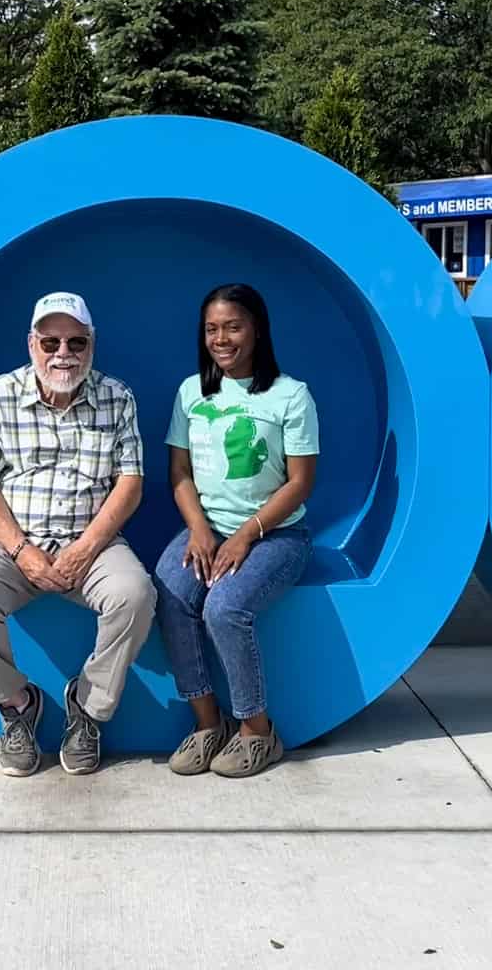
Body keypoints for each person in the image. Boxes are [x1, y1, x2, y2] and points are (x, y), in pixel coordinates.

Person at [0, 292, 157, 777]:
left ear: (92, 344)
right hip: (11, 540)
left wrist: (86, 547)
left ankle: (87, 707)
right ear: (31, 343)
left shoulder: (117, 397)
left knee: (135, 595)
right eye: (51, 341)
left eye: (76, 341)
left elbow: (130, 483)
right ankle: (17, 705)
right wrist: (21, 551)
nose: (63, 353)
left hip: (92, 540)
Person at [153, 283, 318, 778]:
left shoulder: (291, 395)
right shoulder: (191, 392)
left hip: (276, 535)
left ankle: (257, 732)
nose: (221, 338)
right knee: (170, 593)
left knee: (224, 607)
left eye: (232, 326)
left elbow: (301, 482)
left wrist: (246, 534)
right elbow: (179, 474)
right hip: (208, 530)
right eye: (211, 329)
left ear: (258, 330)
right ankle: (209, 724)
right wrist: (199, 530)